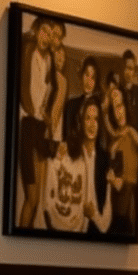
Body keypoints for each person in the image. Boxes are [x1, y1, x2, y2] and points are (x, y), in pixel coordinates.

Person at [42, 96, 112, 235]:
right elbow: (50, 200)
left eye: (96, 119)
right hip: (67, 230)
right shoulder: (69, 152)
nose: (92, 124)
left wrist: (93, 216)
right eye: (88, 118)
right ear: (81, 122)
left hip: (92, 234)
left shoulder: (105, 160)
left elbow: (105, 224)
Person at [17, 16, 57, 228]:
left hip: (40, 126)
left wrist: (46, 112)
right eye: (44, 31)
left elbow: (50, 88)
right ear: (36, 31)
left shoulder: (49, 59)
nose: (46, 37)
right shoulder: (28, 50)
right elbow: (23, 85)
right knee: (31, 198)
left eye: (50, 34)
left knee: (37, 198)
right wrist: (32, 109)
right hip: (28, 124)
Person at [105, 84, 138, 238]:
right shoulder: (114, 137)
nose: (118, 112)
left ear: (125, 105)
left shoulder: (132, 132)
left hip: (129, 192)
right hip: (114, 195)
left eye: (120, 106)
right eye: (115, 108)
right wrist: (111, 179)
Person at [63, 55, 99, 144]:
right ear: (81, 76)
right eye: (86, 75)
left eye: (93, 77)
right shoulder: (71, 105)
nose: (89, 81)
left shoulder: (99, 107)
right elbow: (66, 136)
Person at [120, 48, 138, 130]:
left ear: (134, 70)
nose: (128, 72)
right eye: (126, 67)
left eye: (130, 68)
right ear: (122, 68)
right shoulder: (117, 92)